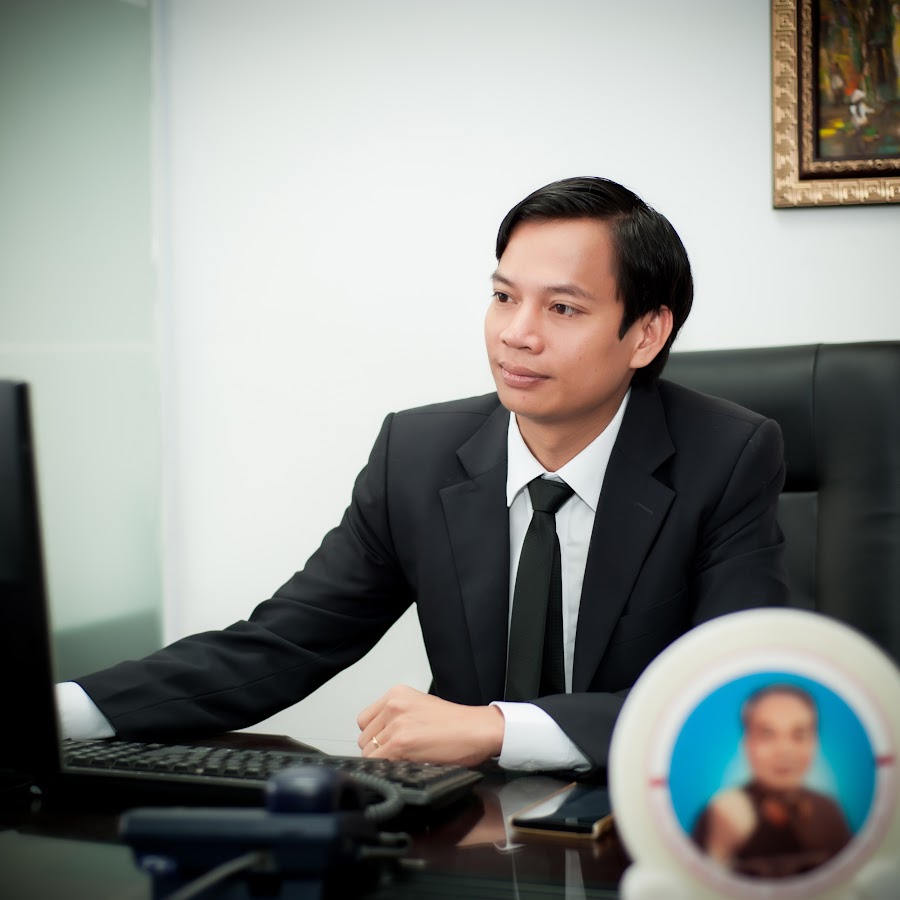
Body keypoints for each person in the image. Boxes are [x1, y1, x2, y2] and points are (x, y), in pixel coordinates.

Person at [58, 176, 789, 780]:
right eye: (504, 297)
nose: (517, 334)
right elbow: (280, 644)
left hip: (652, 821)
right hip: (463, 826)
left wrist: (497, 729)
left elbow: (736, 697)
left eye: (562, 308)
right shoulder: (416, 454)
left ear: (647, 334)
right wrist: (57, 712)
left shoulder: (727, 457)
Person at [693, 684, 852, 877]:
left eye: (799, 735)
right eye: (767, 735)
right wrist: (719, 849)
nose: (784, 751)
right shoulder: (722, 814)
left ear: (815, 743)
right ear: (747, 744)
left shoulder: (828, 811)